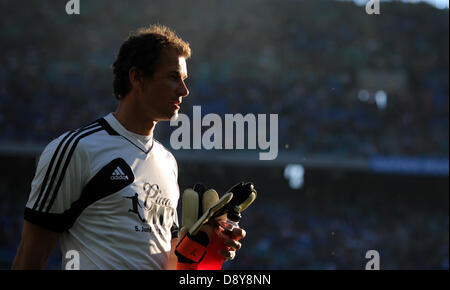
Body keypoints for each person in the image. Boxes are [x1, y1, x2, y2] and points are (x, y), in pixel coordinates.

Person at [12, 24, 245, 270]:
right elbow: (30, 257)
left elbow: (170, 264)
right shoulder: (76, 149)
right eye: (173, 77)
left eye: (184, 80)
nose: (184, 90)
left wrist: (201, 250)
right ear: (137, 77)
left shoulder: (168, 163)